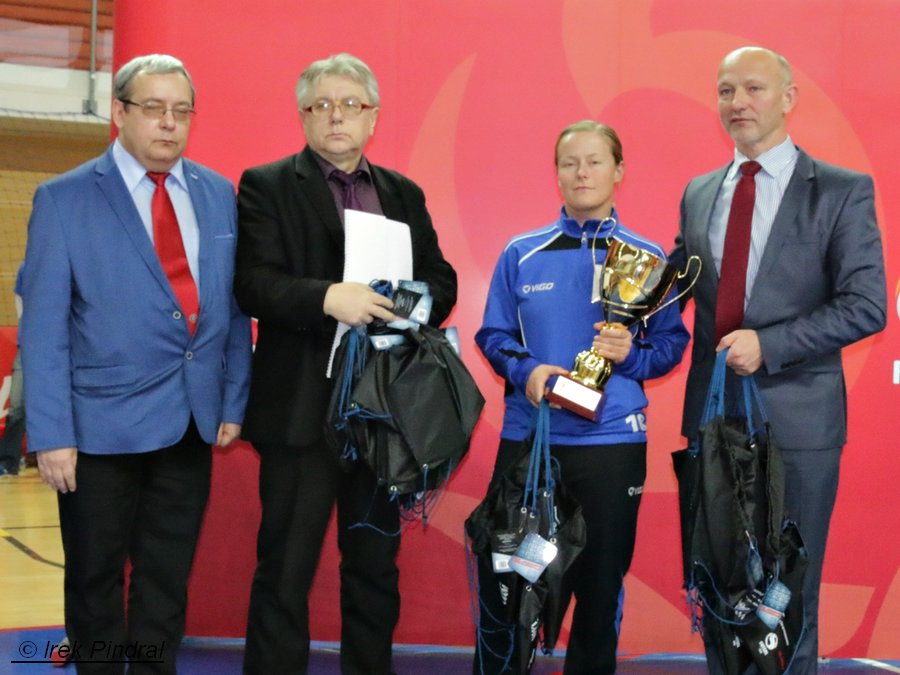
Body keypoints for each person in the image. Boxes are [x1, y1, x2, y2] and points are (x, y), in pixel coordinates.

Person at [20, 54, 252, 674]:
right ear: (119, 113)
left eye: (181, 112)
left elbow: (229, 306)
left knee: (164, 582)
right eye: (153, 109)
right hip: (95, 433)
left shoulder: (216, 193)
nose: (169, 125)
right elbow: (42, 330)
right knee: (95, 585)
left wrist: (232, 401)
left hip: (190, 422)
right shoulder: (63, 199)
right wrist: (52, 433)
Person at [234, 52, 457, 675]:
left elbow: (441, 278)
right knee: (284, 570)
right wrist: (328, 298)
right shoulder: (267, 184)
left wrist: (408, 305)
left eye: (350, 104)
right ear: (303, 115)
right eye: (321, 105)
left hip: (384, 414)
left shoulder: (403, 193)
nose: (336, 116)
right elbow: (252, 283)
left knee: (374, 570)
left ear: (373, 116)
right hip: (301, 412)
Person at [670, 46, 887, 675]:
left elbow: (866, 306)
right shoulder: (699, 191)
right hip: (712, 421)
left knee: (788, 593)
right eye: (726, 90)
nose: (738, 103)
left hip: (800, 425)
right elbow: (678, 286)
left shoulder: (843, 191)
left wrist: (772, 344)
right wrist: (625, 319)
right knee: (716, 582)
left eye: (754, 89)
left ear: (788, 98)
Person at [474, 120, 690, 674]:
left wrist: (630, 356)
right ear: (557, 174)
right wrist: (526, 371)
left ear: (618, 171)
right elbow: (492, 335)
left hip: (611, 444)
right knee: (508, 589)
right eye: (570, 163)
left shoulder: (646, 258)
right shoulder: (521, 252)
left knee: (598, 592)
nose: (582, 173)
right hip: (531, 440)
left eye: (595, 161)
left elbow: (669, 345)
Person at [0, 267, 25, 477]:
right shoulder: (25, 269)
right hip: (28, 347)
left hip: (61, 348)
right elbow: (20, 305)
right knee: (17, 406)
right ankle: (9, 461)